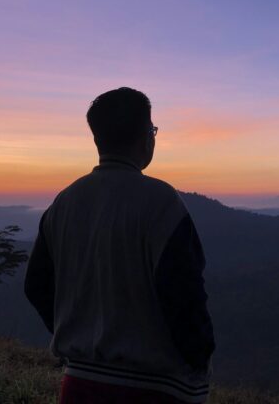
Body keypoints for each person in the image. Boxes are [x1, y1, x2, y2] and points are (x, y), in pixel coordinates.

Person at [24, 87, 215, 404]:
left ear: (98, 139)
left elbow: (36, 285)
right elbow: (185, 295)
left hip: (78, 385)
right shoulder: (162, 203)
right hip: (158, 389)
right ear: (145, 137)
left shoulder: (64, 203)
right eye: (152, 129)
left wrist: (76, 334)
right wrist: (199, 358)